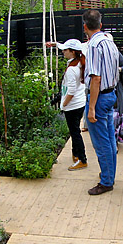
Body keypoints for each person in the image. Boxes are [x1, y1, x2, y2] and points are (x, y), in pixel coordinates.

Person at [82, 9, 120, 195]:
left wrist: (91, 108)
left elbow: (95, 78)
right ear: (101, 25)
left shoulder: (94, 46)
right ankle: (109, 174)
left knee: (101, 142)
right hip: (111, 94)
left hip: (99, 97)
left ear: (85, 27)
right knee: (110, 139)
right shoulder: (109, 42)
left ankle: (106, 181)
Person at [47, 38, 88, 170]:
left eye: (65, 50)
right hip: (80, 102)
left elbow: (70, 91)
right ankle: (76, 154)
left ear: (72, 52)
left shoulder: (72, 70)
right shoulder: (78, 62)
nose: (63, 52)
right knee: (74, 129)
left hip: (73, 105)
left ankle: (82, 159)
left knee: (75, 132)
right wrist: (55, 44)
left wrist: (63, 105)